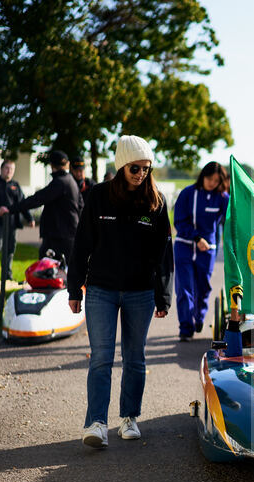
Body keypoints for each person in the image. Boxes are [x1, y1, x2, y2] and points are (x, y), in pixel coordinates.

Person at [68, 135, 173, 449]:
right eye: (135, 168)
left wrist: (163, 295)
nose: (141, 174)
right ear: (121, 166)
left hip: (140, 293)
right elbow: (81, 245)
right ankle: (97, 423)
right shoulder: (99, 197)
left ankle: (129, 418)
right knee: (101, 358)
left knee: (134, 358)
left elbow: (163, 254)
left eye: (146, 168)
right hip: (101, 290)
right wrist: (74, 288)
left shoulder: (155, 201)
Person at [173, 161, 229, 341]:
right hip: (184, 246)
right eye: (209, 179)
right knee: (184, 288)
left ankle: (199, 317)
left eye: (216, 180)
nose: (212, 183)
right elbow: (179, 221)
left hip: (207, 250)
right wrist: (196, 238)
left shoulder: (222, 197)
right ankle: (185, 328)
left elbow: (232, 218)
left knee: (203, 287)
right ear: (202, 176)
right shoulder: (187, 194)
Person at [7, 149, 83, 261]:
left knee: (47, 270)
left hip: (58, 236)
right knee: (66, 271)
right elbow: (81, 205)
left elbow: (37, 199)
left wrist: (10, 209)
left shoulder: (60, 182)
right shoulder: (70, 181)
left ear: (52, 165)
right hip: (69, 234)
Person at [0, 160, 34, 281]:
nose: (9, 171)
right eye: (7, 168)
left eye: (12, 169)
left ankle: (7, 274)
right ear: (1, 169)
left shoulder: (15, 185)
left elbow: (22, 203)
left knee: (10, 249)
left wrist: (29, 218)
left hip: (12, 223)